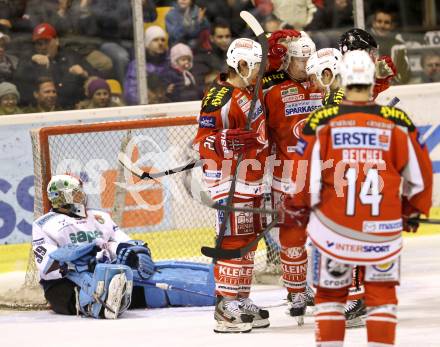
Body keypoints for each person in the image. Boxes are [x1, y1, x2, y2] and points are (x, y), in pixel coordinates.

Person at [282, 50, 433, 346]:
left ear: (343, 78)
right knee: (381, 296)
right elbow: (421, 175)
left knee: (329, 296)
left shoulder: (322, 120)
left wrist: (297, 209)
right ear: (371, 80)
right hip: (382, 233)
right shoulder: (396, 120)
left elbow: (303, 176)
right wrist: (413, 211)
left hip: (333, 230)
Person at [193, 37, 269, 333]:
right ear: (240, 65)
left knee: (248, 242)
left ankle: (240, 298)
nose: (260, 72)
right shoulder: (218, 98)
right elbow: (203, 142)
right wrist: (228, 139)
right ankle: (224, 306)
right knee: (233, 239)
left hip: (253, 177)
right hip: (228, 178)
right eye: (256, 66)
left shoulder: (251, 92)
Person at [32, 174, 155, 318]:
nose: (82, 196)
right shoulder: (44, 224)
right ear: (61, 197)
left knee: (148, 285)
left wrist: (136, 253)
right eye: (75, 193)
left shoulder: (100, 217)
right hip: (67, 282)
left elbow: (123, 241)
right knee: (65, 294)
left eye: (80, 192)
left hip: (108, 274)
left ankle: (111, 295)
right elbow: (47, 265)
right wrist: (78, 262)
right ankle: (93, 303)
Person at [263, 30, 321, 325]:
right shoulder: (272, 91)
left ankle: (336, 292)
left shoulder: (324, 85)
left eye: (310, 56)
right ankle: (297, 292)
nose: (307, 63)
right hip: (287, 177)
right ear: (287, 60)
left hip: (325, 176)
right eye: (301, 58)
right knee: (291, 238)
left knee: (330, 236)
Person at [15, 23, 97, 109]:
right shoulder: (28, 59)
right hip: (40, 111)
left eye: (46, 42)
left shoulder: (72, 57)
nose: (43, 47)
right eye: (39, 44)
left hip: (72, 108)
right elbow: (19, 83)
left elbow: (98, 79)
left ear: (57, 41)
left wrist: (84, 74)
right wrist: (31, 63)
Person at [124, 26, 171, 105]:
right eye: (155, 40)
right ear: (147, 44)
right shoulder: (138, 65)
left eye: (163, 40)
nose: (160, 43)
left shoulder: (169, 62)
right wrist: (148, 98)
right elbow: (130, 93)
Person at [370, 8, 410, 84]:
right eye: (379, 21)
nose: (382, 25)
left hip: (394, 88)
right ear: (373, 23)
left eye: (386, 22)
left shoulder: (398, 45)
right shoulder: (366, 43)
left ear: (392, 26)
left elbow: (405, 76)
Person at [192, 19, 232, 89]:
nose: (224, 40)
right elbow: (200, 83)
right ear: (211, 38)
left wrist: (216, 76)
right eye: (220, 37)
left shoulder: (234, 55)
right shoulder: (201, 57)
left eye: (227, 36)